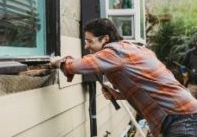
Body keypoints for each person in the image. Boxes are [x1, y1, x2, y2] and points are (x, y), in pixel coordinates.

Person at [51, 18, 197, 137]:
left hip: (181, 119)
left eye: (90, 41)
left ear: (105, 39)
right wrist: (120, 95)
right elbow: (149, 87)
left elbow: (76, 66)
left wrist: (59, 62)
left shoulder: (113, 53)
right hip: (185, 112)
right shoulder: (130, 48)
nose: (86, 46)